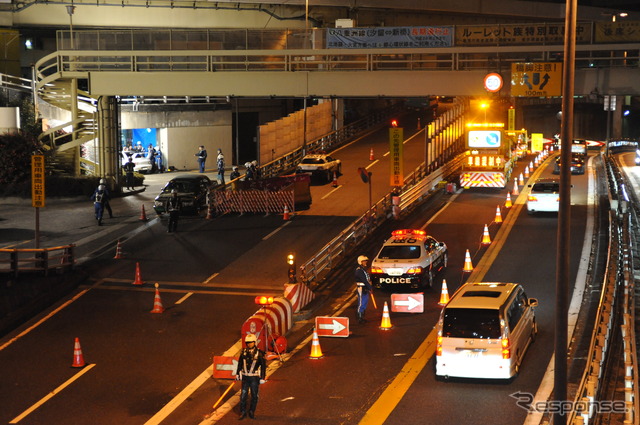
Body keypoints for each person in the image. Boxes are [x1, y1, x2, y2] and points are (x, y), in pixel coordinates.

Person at [235, 334, 267, 420]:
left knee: (254, 395)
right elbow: (240, 364)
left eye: (250, 342)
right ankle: (243, 412)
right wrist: (237, 373)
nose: (249, 344)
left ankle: (252, 411)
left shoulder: (259, 353)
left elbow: (263, 366)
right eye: (247, 343)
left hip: (254, 378)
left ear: (254, 342)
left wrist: (262, 377)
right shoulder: (243, 352)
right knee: (243, 395)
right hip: (245, 377)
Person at [354, 255, 374, 323]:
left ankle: (362, 317)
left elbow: (367, 279)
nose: (366, 262)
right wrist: (370, 287)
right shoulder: (359, 270)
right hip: (361, 288)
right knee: (361, 302)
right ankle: (360, 317)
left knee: (365, 302)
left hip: (365, 287)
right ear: (361, 262)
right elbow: (364, 280)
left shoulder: (363, 269)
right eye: (364, 261)